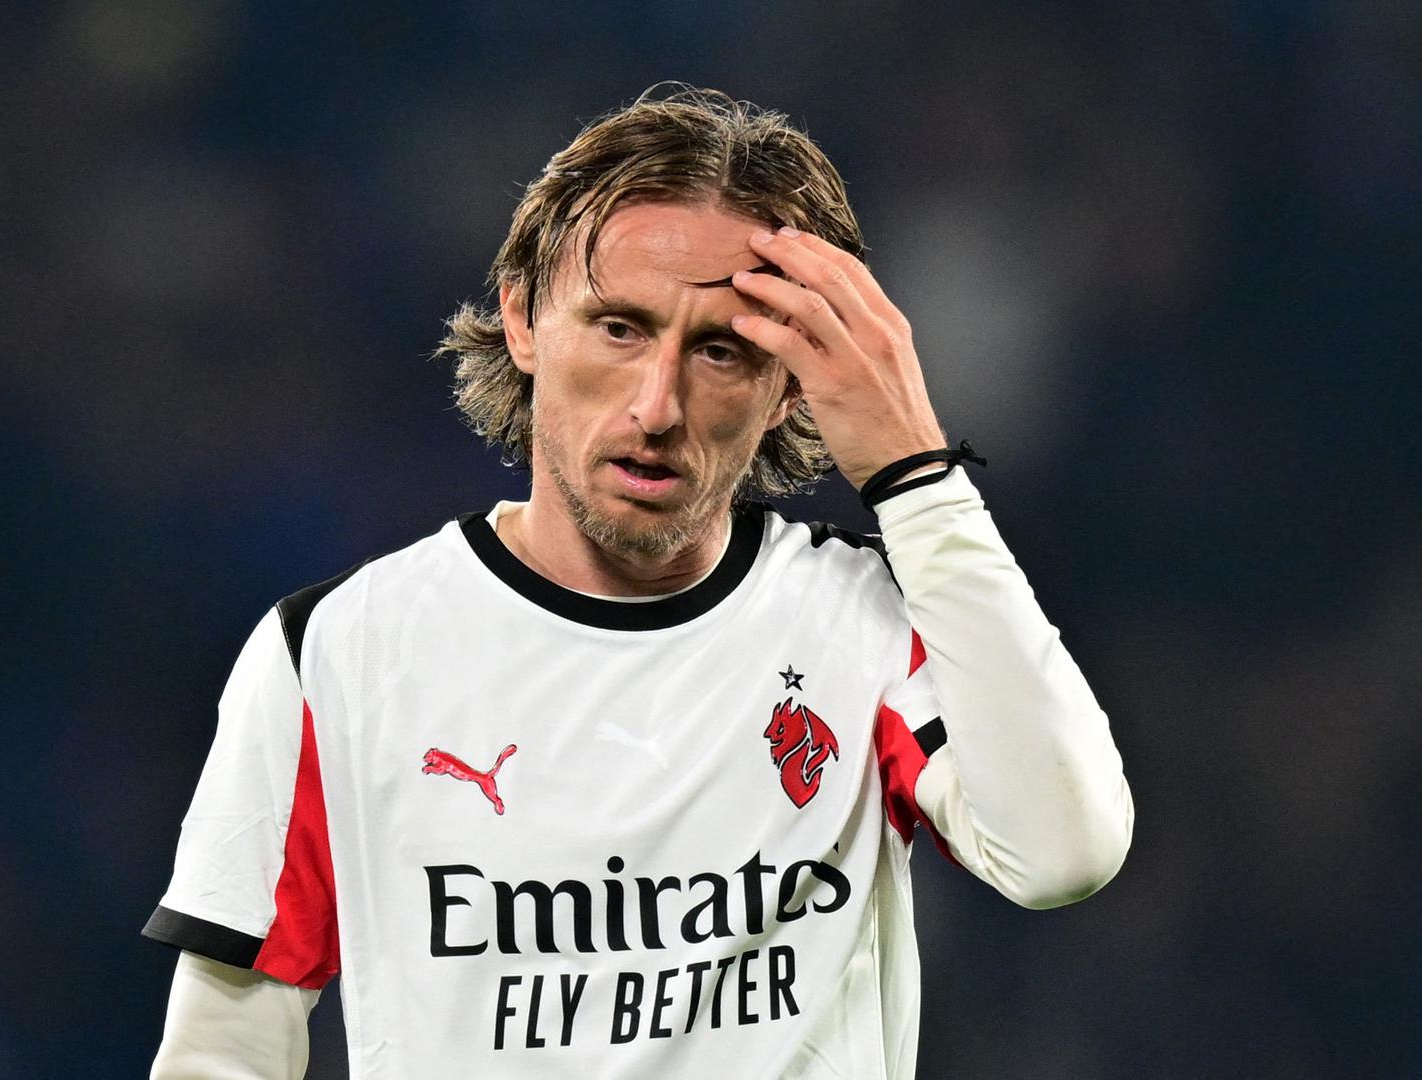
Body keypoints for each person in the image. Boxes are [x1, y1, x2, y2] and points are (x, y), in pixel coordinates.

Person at [143, 84, 1133, 1078]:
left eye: (721, 350)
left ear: (790, 385)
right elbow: (223, 1054)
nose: (658, 406)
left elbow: (1063, 852)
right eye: (619, 328)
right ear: (523, 321)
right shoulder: (337, 653)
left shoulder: (867, 623)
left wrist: (916, 476)